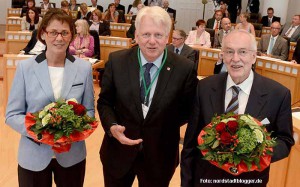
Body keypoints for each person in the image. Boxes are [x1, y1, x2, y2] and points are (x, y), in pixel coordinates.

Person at [98, 6, 197, 187]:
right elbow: (104, 102)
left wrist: (161, 122)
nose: (152, 41)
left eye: (158, 35)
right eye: (146, 35)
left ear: (167, 37)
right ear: (136, 36)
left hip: (160, 156)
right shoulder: (117, 61)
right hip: (118, 153)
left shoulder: (185, 68)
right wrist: (112, 126)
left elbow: (187, 110)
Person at [181, 29, 294, 187]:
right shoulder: (205, 87)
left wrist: (256, 154)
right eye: (229, 52)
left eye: (242, 52)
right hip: (206, 179)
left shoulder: (278, 94)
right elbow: (190, 144)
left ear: (254, 56)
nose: (235, 59)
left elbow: (285, 140)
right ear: (222, 55)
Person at [5, 8, 94, 187]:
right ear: (43, 34)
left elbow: (89, 111)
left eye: (64, 33)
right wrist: (41, 131)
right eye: (53, 32)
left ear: (71, 36)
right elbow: (12, 115)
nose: (59, 38)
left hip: (72, 155)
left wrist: (74, 130)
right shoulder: (25, 68)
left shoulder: (83, 69)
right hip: (33, 154)